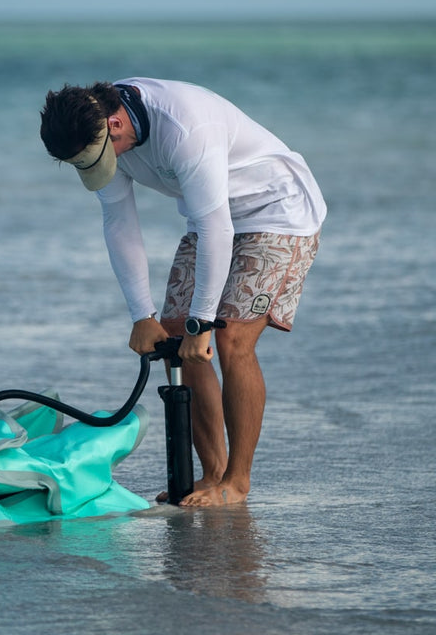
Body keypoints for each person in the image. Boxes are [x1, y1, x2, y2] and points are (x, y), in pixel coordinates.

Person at [40, 78, 326, 507]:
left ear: (114, 125)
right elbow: (118, 222)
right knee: (175, 337)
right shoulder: (95, 131)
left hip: (277, 211)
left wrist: (203, 322)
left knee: (227, 338)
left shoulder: (186, 128)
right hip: (212, 216)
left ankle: (237, 481)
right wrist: (142, 314)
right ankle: (211, 476)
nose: (98, 168)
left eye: (96, 158)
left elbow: (217, 229)